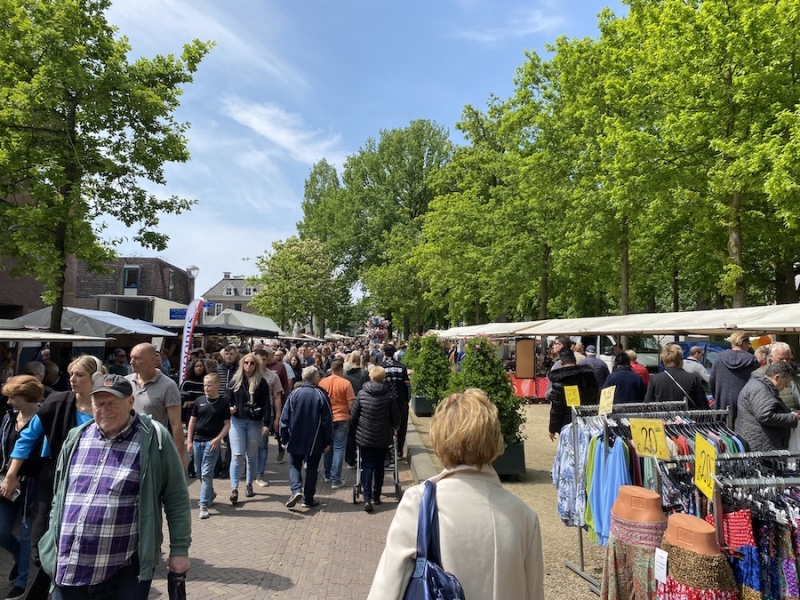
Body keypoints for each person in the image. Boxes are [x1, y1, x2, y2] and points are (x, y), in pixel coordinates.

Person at [368, 389, 544, 599]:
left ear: (439, 439)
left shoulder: (418, 503)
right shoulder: (524, 516)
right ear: (495, 439)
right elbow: (534, 593)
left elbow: (387, 589)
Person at [38, 375, 191, 600]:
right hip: (69, 566)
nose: (105, 410)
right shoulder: (76, 437)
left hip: (122, 571)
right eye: (99, 403)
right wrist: (51, 535)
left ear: (130, 402)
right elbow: (59, 495)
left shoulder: (153, 438)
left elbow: (176, 496)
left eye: (112, 403)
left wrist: (179, 549)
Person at [0, 355, 103, 600]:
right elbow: (27, 438)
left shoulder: (105, 406)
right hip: (51, 477)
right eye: (71, 374)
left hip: (89, 482)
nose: (72, 379)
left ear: (96, 378)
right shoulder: (57, 402)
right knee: (38, 536)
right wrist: (11, 475)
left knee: (76, 537)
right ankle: (35, 591)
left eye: (79, 375)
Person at [0, 376, 44, 600]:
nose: (9, 402)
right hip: (5, 482)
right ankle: (19, 558)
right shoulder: (8, 418)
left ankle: (22, 581)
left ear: (27, 397)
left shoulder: (44, 418)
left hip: (33, 485)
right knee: (1, 529)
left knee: (27, 534)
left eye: (13, 397)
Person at [280, 366, 333, 510]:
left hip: (295, 437)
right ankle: (308, 499)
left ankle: (296, 490)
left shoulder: (294, 394)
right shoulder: (321, 395)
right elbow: (327, 420)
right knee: (312, 468)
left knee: (294, 464)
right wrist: (328, 440)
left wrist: (284, 438)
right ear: (315, 378)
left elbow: (284, 418)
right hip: (315, 439)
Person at [350, 366, 400, 512]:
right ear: (383, 378)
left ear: (370, 376)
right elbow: (396, 417)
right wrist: (394, 427)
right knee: (379, 466)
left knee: (367, 466)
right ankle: (377, 495)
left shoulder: (362, 394)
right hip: (383, 437)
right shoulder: (389, 395)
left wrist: (358, 429)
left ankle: (367, 497)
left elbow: (353, 416)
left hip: (365, 437)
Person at [127, 343, 185, 464]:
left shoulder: (168, 386)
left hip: (152, 450)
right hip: (126, 446)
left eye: (137, 358)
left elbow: (175, 424)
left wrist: (180, 458)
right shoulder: (125, 382)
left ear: (153, 360)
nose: (132, 362)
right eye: (131, 357)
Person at [225, 353, 270, 504]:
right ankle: (234, 488)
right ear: (242, 365)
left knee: (251, 455)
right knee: (237, 455)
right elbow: (227, 399)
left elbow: (266, 404)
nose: (248, 366)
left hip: (254, 422)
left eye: (252, 363)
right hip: (237, 421)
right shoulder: (235, 382)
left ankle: (249, 484)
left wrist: (266, 423)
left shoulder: (261, 382)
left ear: (256, 365)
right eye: (246, 363)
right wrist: (230, 408)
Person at [186, 373, 230, 519]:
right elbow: (192, 422)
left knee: (206, 473)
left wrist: (218, 439)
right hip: (197, 441)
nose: (206, 388)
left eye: (209, 385)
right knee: (199, 472)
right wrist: (189, 440)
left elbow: (227, 424)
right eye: (205, 385)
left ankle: (203, 504)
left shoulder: (223, 403)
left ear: (217, 385)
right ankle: (210, 493)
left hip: (211, 443)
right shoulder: (199, 401)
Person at [735, 361, 799, 451]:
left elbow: (770, 408)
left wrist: (790, 412)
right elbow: (764, 416)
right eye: (786, 382)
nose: (786, 386)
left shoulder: (761, 386)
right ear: (777, 377)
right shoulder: (760, 389)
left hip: (759, 441)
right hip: (760, 445)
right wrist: (792, 418)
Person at [547, 349, 600, 441]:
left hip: (568, 424)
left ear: (561, 363)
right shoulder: (590, 378)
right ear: (575, 361)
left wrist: (552, 429)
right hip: (589, 421)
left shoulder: (559, 382)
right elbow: (596, 397)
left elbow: (557, 409)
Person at [319, 359, 356, 489]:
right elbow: (351, 403)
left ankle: (327, 475)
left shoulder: (322, 382)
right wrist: (352, 416)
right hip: (342, 417)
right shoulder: (346, 383)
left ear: (331, 369)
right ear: (341, 370)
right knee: (339, 448)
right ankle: (336, 479)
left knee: (327, 447)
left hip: (327, 419)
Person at [709, 332, 759, 421]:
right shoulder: (752, 361)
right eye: (749, 343)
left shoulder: (720, 358)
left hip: (722, 404)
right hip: (745, 406)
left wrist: (718, 396)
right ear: (744, 343)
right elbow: (757, 385)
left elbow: (712, 381)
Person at [252, 348, 282, 487]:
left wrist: (277, 416)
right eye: (258, 359)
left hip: (266, 413)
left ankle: (260, 474)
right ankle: (250, 471)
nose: (261, 362)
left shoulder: (272, 376)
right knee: (250, 444)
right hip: (249, 414)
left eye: (263, 359)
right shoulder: (248, 374)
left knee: (262, 445)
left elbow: (277, 397)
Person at [645, 343, 707, 410]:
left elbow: (648, 404)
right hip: (687, 415)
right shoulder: (693, 379)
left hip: (662, 415)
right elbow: (703, 405)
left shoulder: (655, 379)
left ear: (664, 360)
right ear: (681, 360)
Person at [381, 344, 411, 459]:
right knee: (402, 426)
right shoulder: (402, 367)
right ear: (394, 353)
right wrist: (406, 400)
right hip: (400, 400)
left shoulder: (381, 367)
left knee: (386, 426)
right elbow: (407, 386)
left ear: (384, 353)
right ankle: (399, 451)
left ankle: (388, 452)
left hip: (385, 402)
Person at [756, 341, 800, 410]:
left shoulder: (797, 371)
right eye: (781, 359)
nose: (785, 362)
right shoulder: (761, 375)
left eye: (787, 359)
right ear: (771, 358)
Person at [180, 358, 207, 425]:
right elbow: (179, 396)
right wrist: (186, 404)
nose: (199, 368)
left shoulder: (206, 381)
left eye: (201, 366)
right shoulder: (186, 382)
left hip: (203, 410)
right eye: (196, 366)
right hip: (189, 412)